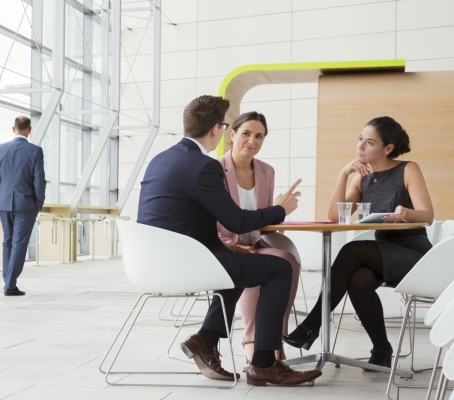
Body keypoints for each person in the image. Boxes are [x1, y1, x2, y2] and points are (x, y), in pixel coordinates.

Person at [137, 95, 320, 386]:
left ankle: (206, 340)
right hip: (185, 263)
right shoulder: (204, 166)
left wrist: (226, 245)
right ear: (218, 129)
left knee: (237, 262)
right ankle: (264, 363)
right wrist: (280, 209)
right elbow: (237, 220)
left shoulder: (161, 159)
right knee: (279, 269)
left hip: (154, 261)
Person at [284, 116, 434, 369]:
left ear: (387, 149)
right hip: (385, 252)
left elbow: (428, 215)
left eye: (370, 142)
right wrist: (344, 174)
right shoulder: (362, 178)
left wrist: (406, 213)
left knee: (352, 250)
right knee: (359, 281)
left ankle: (311, 326)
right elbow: (334, 216)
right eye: (360, 139)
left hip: (413, 253)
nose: (361, 146)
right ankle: (382, 350)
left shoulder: (408, 169)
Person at [216, 112, 302, 361]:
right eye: (246, 134)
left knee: (287, 259)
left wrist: (279, 208)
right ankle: (252, 339)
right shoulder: (216, 170)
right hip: (224, 243)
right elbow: (209, 218)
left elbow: (264, 220)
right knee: (260, 265)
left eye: (259, 136)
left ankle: (273, 338)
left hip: (254, 240)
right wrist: (233, 244)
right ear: (232, 135)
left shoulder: (266, 171)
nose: (252, 140)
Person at [0, 116, 46, 296]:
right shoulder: (35, 151)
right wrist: (38, 203)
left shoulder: (0, 149)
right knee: (19, 243)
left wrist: (8, 185)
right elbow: (39, 181)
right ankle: (10, 283)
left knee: (8, 241)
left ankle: (8, 280)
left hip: (5, 202)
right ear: (29, 130)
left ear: (13, 128)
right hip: (26, 203)